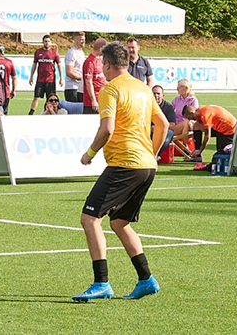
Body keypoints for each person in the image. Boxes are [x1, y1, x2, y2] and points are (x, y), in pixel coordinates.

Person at [73, 41, 167, 302]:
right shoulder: (143, 88)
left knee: (90, 219)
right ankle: (146, 279)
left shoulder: (110, 89)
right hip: (146, 166)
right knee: (119, 222)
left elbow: (107, 129)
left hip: (125, 164)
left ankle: (101, 283)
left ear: (107, 65)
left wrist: (89, 154)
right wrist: (153, 153)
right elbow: (164, 124)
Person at [29, 35, 59, 115]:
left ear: (50, 42)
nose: (47, 43)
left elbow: (59, 65)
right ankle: (30, 113)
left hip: (50, 80)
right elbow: (34, 64)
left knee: (50, 99)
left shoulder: (54, 52)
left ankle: (48, 112)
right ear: (43, 42)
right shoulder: (38, 52)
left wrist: (61, 78)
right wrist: (31, 76)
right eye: (45, 41)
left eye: (48, 41)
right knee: (36, 97)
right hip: (40, 80)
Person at [82, 38, 108, 114]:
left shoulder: (100, 60)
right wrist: (93, 100)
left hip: (101, 99)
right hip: (92, 103)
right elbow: (88, 82)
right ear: (100, 49)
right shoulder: (90, 62)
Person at [63, 32, 87, 112]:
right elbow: (69, 72)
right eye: (81, 39)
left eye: (84, 39)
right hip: (72, 87)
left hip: (79, 88)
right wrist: (82, 78)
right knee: (73, 113)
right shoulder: (71, 52)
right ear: (75, 40)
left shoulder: (81, 52)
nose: (83, 41)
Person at [0, 44, 18, 112]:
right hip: (5, 91)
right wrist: (13, 90)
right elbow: (14, 78)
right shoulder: (9, 62)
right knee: (4, 113)